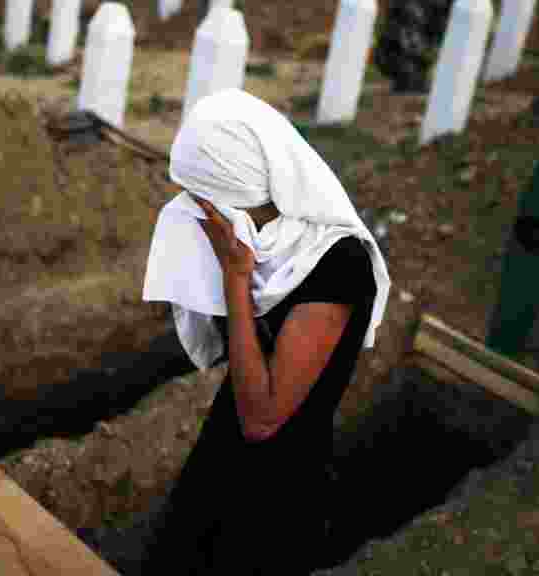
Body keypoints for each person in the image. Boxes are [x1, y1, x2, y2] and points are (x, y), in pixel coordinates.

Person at [140, 89, 392, 575]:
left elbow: (263, 420)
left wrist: (235, 278)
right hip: (223, 450)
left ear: (238, 195)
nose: (195, 212)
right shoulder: (258, 244)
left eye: (203, 200)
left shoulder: (336, 267)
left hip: (276, 489)